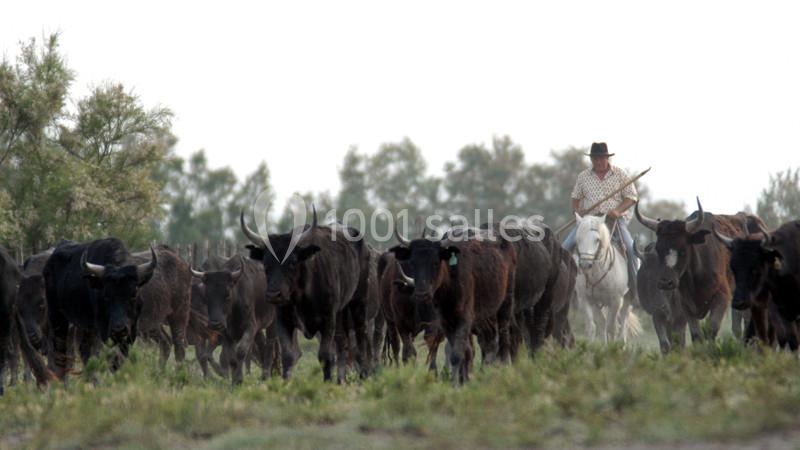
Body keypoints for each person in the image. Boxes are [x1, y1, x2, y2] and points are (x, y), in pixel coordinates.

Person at [562, 142, 639, 297]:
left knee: (631, 249)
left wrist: (618, 211)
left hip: (614, 220)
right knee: (564, 248)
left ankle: (635, 289)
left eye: (601, 158)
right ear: (591, 159)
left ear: (607, 158)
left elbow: (632, 197)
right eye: (595, 158)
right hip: (589, 220)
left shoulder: (620, 174)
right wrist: (578, 211)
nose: (598, 161)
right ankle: (564, 288)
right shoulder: (583, 176)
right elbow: (575, 199)